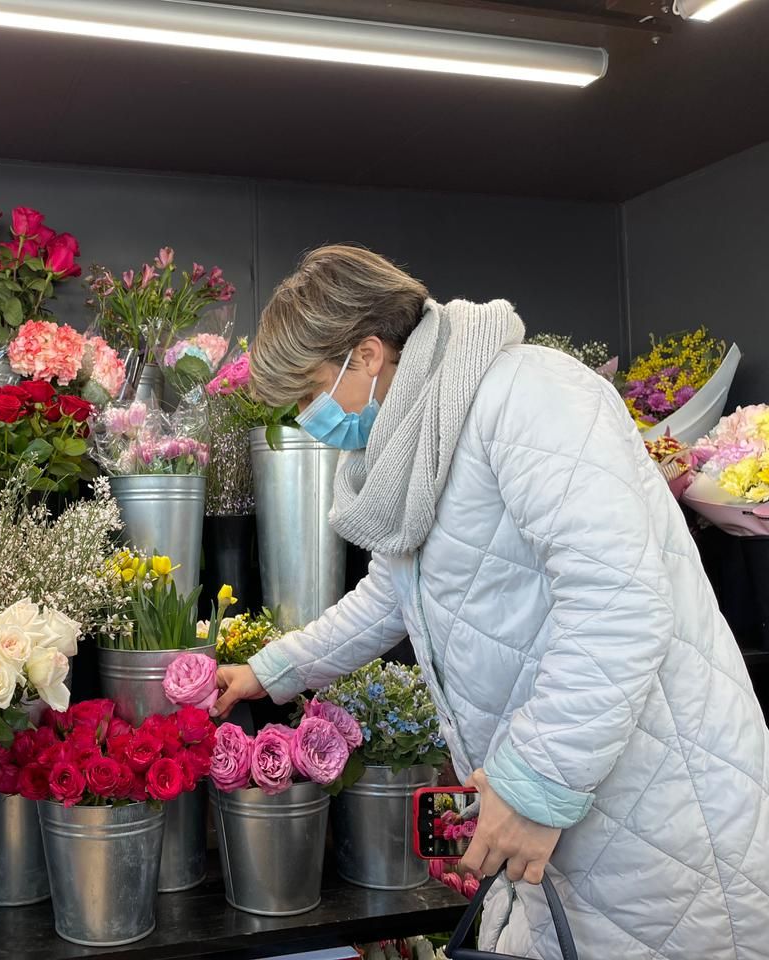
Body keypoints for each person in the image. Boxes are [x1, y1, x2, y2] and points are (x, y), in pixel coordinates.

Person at [214, 245, 769, 958]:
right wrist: (271, 671)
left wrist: (534, 784)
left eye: (308, 393)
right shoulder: (419, 444)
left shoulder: (526, 395)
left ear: (368, 354)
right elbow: (391, 594)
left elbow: (619, 601)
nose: (305, 418)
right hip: (572, 806)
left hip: (661, 818)